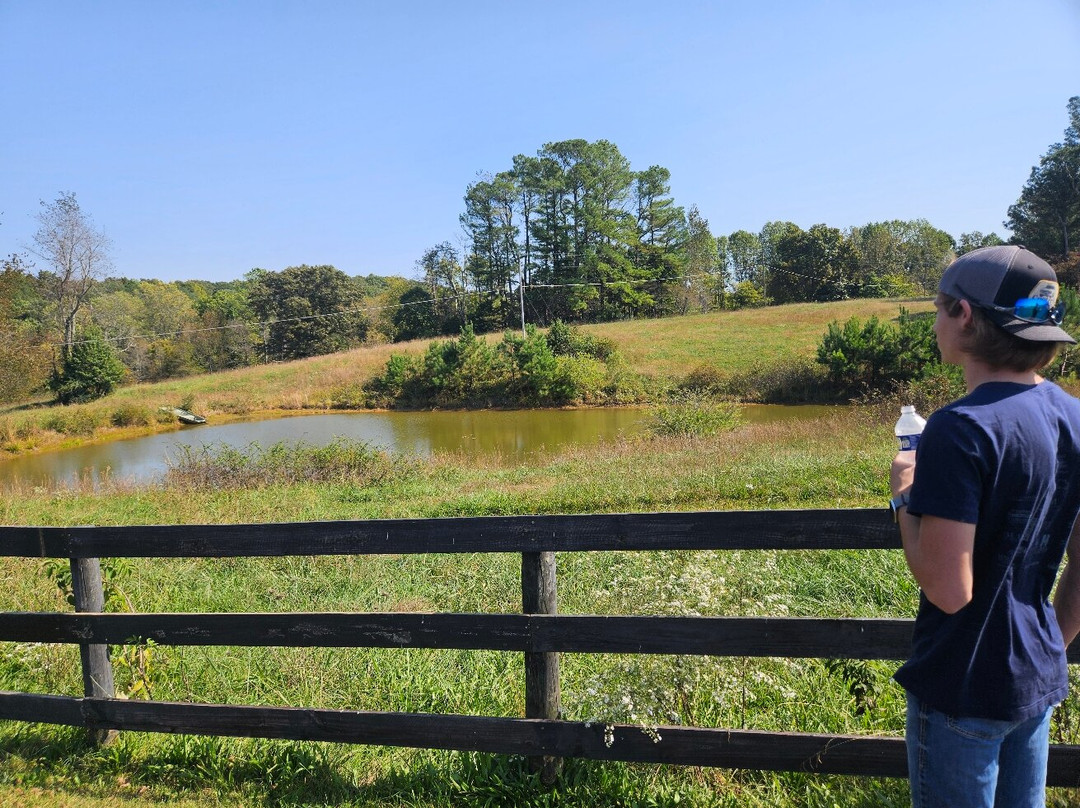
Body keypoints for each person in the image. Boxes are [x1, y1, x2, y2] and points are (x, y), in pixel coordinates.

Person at [889, 245, 1080, 808]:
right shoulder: (1074, 416)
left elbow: (950, 591)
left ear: (965, 316)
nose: (937, 323)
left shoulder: (961, 426)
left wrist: (904, 496)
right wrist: (1050, 644)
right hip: (1034, 679)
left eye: (940, 309)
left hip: (963, 683)